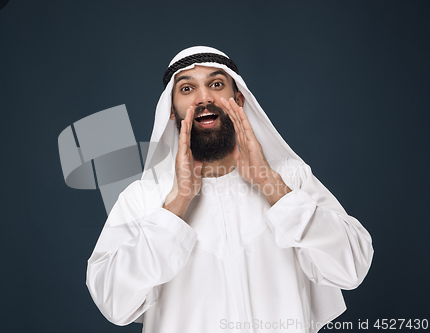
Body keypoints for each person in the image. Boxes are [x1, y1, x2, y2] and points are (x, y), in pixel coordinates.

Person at [86, 46, 374, 333]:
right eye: (187, 88)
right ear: (172, 112)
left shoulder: (289, 178)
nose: (204, 97)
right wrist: (176, 204)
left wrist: (269, 183)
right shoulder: (143, 198)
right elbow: (113, 304)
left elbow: (352, 268)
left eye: (216, 84)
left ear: (239, 99)